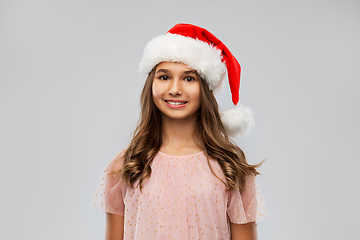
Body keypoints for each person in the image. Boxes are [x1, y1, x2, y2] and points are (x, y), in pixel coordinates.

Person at [92, 23, 267, 240]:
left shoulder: (228, 167)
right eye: (164, 77)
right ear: (151, 84)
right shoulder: (127, 164)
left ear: (205, 88)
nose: (175, 89)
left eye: (189, 78)